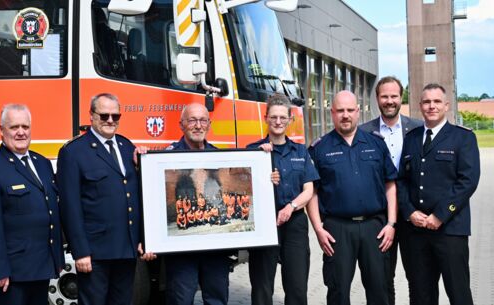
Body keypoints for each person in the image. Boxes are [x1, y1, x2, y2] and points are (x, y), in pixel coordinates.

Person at [56, 93, 154, 305]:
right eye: (104, 115)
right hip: (95, 252)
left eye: (115, 116)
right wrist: (80, 252)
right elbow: (70, 207)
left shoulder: (128, 147)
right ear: (91, 115)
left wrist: (143, 239)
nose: (110, 120)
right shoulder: (73, 152)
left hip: (126, 249)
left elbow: (137, 198)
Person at [0, 104, 64, 305]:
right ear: (2, 130)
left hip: (42, 266)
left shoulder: (42, 163)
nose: (21, 132)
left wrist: (57, 260)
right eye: (14, 127)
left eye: (25, 127)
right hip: (13, 272)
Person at [308, 90, 397, 305]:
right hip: (336, 230)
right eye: (340, 110)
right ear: (332, 113)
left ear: (358, 112)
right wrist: (318, 229)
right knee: (338, 291)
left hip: (374, 228)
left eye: (350, 110)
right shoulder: (320, 148)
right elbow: (312, 192)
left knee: (380, 290)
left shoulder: (376, 143)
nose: (345, 115)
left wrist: (392, 223)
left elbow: (390, 184)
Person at [397, 83, 480, 305]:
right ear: (420, 106)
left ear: (446, 105)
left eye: (436, 102)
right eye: (426, 102)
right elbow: (402, 180)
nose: (431, 106)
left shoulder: (463, 138)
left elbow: (468, 181)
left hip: (450, 229)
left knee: (458, 292)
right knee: (420, 294)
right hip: (416, 231)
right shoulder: (412, 138)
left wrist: (440, 215)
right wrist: (409, 212)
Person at [247, 94, 317, 305]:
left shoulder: (300, 151)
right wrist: (259, 165)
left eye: (282, 118)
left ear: (290, 120)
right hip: (264, 224)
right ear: (266, 118)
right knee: (262, 288)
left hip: (294, 223)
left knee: (297, 288)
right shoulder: (253, 151)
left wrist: (291, 207)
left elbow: (309, 190)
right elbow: (241, 189)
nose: (278, 122)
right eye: (274, 117)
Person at [359, 76, 422, 305]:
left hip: (413, 214)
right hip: (379, 218)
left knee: (418, 277)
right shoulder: (363, 133)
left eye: (393, 96)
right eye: (384, 96)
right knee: (382, 279)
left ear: (401, 97)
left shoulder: (417, 129)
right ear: (377, 99)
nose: (389, 101)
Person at [164, 103, 232, 305]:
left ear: (209, 124)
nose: (198, 125)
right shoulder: (165, 159)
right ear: (181, 125)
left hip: (215, 247)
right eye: (192, 120)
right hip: (181, 248)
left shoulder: (219, 157)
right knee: (180, 300)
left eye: (203, 120)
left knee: (217, 299)